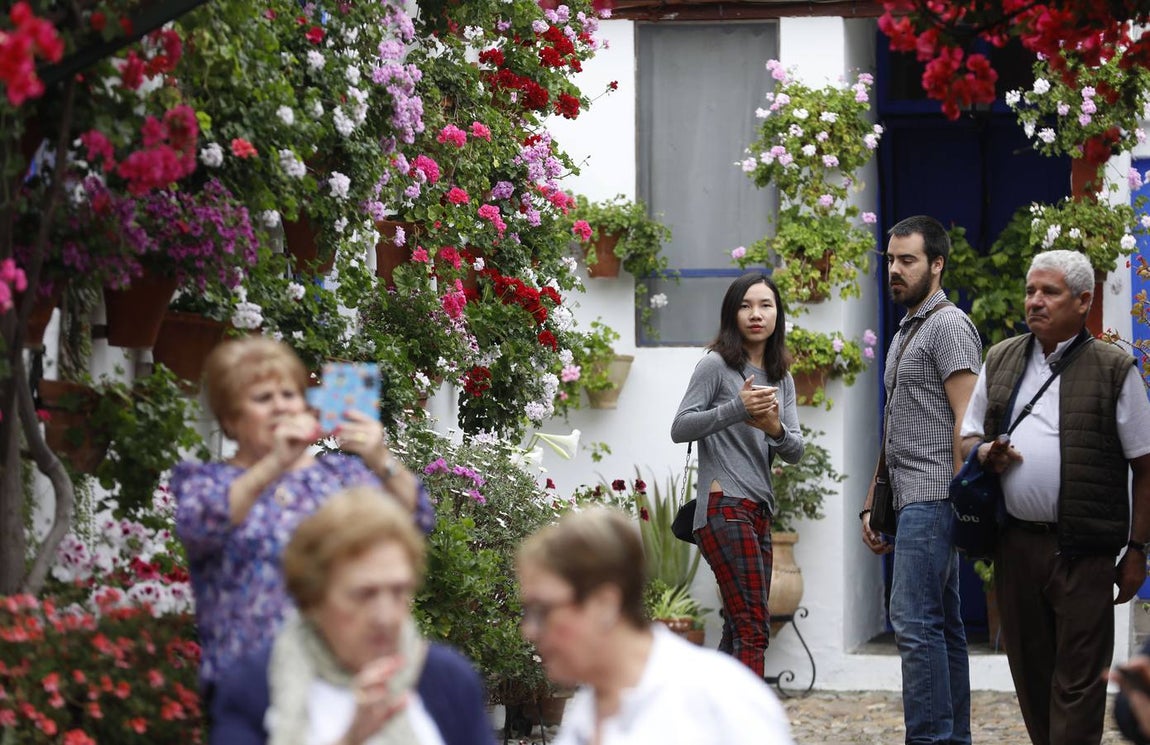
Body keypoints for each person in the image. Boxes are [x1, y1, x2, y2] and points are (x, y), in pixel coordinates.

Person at [171, 337, 435, 702]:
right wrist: (276, 463)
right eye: (263, 399)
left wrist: (380, 458)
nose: (280, 407)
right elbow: (201, 527)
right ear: (231, 421)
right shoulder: (208, 483)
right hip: (250, 688)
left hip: (342, 683)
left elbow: (416, 519)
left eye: (289, 395)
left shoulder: (339, 475)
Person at [958, 249, 1150, 745]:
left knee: (1079, 682)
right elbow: (968, 437)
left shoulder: (1115, 369)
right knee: (1032, 674)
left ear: (1084, 301)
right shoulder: (1000, 358)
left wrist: (1136, 550)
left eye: (1050, 292)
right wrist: (985, 454)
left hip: (1084, 550)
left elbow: (1145, 466)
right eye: (1030, 291)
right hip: (1016, 545)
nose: (1035, 301)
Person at [210, 487, 494, 745]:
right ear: (313, 599)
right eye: (363, 595)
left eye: (398, 591)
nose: (385, 617)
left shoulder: (447, 679)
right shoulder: (253, 686)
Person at [516, 507, 795, 745]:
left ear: (605, 603)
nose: (528, 630)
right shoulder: (587, 713)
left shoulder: (719, 700)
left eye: (542, 610)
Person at [859, 215, 981, 745]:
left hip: (936, 497)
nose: (895, 270)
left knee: (913, 623)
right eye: (890, 259)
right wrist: (873, 498)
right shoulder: (911, 327)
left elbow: (968, 421)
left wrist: (962, 501)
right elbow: (899, 420)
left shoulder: (950, 326)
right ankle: (951, 739)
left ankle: (930, 738)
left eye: (907, 260)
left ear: (937, 264)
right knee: (941, 626)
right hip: (909, 498)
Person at [670, 272, 804, 678]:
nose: (756, 314)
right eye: (745, 305)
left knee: (739, 626)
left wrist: (774, 429)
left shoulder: (782, 378)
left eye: (765, 305)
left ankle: (712, 721)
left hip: (758, 510)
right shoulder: (715, 366)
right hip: (723, 506)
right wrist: (737, 409)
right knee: (752, 627)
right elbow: (680, 427)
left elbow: (795, 449)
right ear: (732, 314)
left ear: (778, 314)